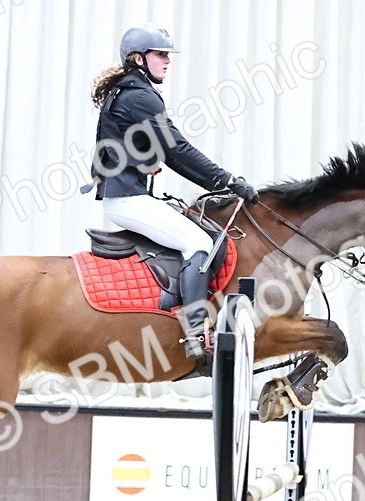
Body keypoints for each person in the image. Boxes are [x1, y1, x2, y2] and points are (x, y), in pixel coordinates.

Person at [89, 23, 259, 359]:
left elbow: (128, 143)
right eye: (160, 54)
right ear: (138, 58)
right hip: (127, 200)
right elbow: (176, 149)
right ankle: (195, 332)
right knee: (199, 243)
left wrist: (145, 159)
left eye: (168, 55)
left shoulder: (128, 91)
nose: (168, 61)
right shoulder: (140, 96)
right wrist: (226, 181)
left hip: (128, 194)